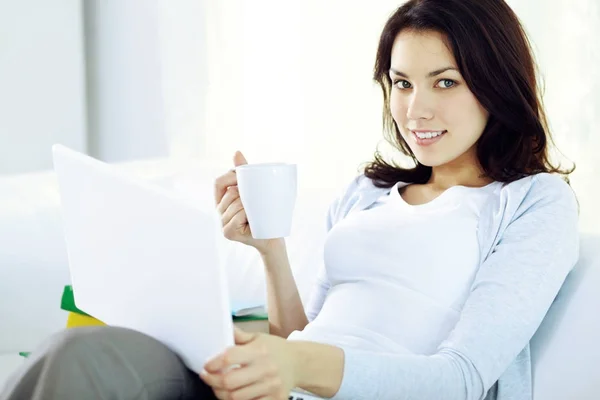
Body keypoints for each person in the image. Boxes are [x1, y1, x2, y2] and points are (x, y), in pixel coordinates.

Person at [1, 0, 579, 399]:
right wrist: (270, 252)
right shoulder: (369, 194)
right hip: (274, 387)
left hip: (314, 387)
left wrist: (292, 364)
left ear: (498, 83)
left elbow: (461, 379)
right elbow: (301, 335)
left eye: (445, 82)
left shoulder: (534, 203)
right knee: (78, 355)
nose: (416, 110)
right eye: (402, 83)